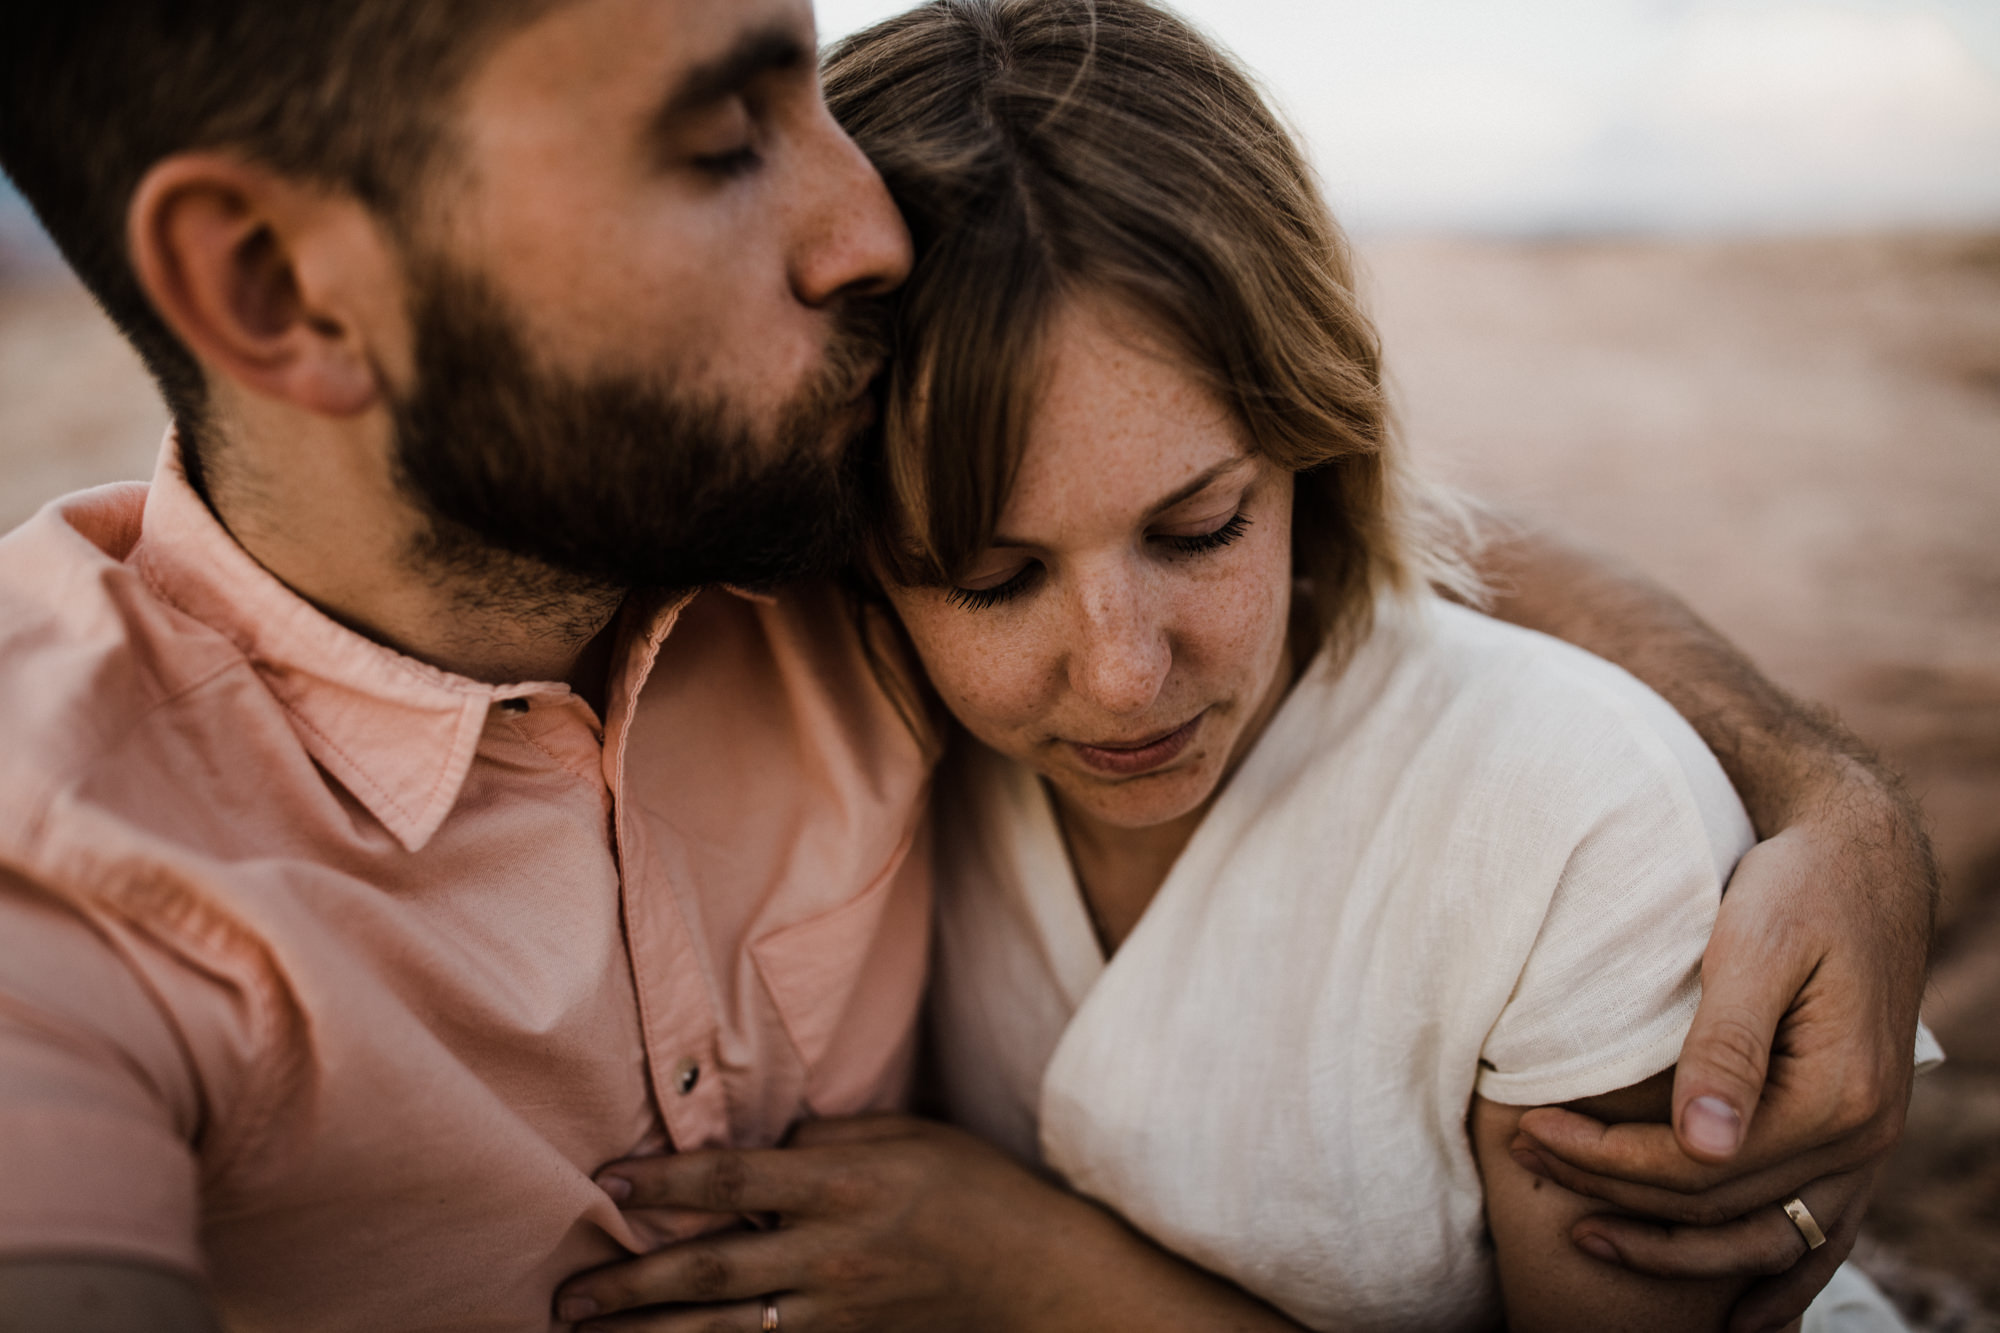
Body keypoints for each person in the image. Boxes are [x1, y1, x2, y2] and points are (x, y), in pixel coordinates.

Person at [0, 0, 1931, 1329]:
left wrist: (1810, 783)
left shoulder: (784, 507)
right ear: (274, 287)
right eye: (717, 142)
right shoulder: (57, 880)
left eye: (817, 99)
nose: (863, 227)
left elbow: (1310, 486)